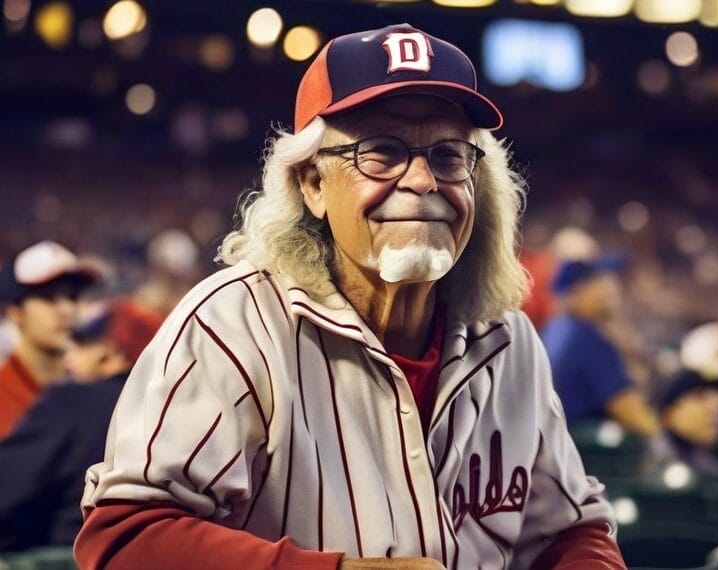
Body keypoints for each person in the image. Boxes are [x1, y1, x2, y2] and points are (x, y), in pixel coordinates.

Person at [74, 24, 625, 569]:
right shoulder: (230, 325)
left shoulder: (509, 339)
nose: (423, 181)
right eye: (381, 153)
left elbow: (572, 530)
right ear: (313, 184)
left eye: (448, 156)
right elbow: (125, 540)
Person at [0, 298, 162, 552]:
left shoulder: (75, 400)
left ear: (112, 354)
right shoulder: (168, 412)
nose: (68, 356)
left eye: (82, 344)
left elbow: (6, 494)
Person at [542, 258, 659, 436]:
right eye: (598, 281)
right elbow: (633, 415)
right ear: (576, 291)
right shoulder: (585, 338)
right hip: (585, 453)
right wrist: (664, 440)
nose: (610, 288)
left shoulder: (555, 329)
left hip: (556, 443)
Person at [0, 240, 100, 438]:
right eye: (49, 298)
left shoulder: (92, 389)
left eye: (72, 297)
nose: (67, 310)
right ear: (15, 312)